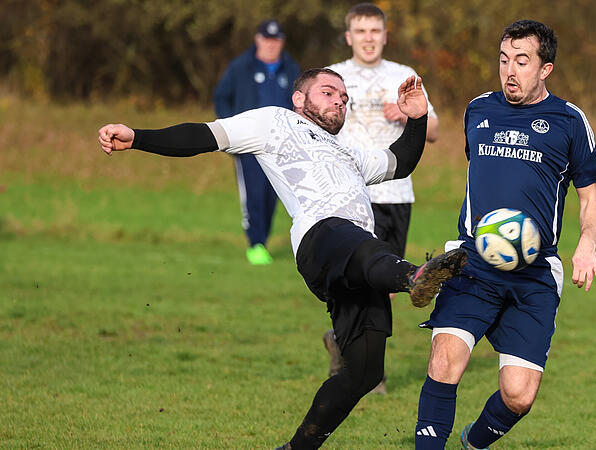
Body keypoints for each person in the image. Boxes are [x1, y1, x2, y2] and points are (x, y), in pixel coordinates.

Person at [97, 68, 468, 450]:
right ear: (299, 99)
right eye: (328, 92)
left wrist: (417, 117)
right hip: (322, 239)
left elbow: (398, 162)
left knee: (364, 372)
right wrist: (137, 137)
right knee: (361, 243)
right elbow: (204, 135)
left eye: (344, 98)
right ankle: (414, 276)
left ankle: (295, 448)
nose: (339, 101)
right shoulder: (274, 122)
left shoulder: (347, 152)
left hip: (357, 260)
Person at [412, 20, 596, 450]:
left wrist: (587, 244)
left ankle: (473, 441)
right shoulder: (478, 110)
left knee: (519, 396)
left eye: (522, 61)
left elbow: (591, 196)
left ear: (545, 69)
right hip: (473, 263)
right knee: (444, 360)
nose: (509, 71)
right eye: (503, 60)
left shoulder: (569, 121)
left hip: (534, 274)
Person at [323, 2, 441, 395]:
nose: (368, 38)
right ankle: (370, 371)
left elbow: (434, 129)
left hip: (395, 194)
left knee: (384, 284)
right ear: (348, 36)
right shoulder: (333, 76)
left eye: (375, 31)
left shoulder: (402, 75)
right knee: (358, 279)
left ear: (385, 36)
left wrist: (410, 116)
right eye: (361, 31)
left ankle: (347, 349)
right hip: (349, 194)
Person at [213, 19, 300, 265]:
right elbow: (221, 97)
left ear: (282, 42)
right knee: (253, 194)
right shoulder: (241, 67)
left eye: (276, 40)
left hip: (281, 146)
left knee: (273, 196)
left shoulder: (291, 69)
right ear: (258, 40)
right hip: (248, 144)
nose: (271, 45)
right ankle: (255, 244)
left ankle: (264, 240)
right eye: (267, 39)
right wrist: (230, 130)